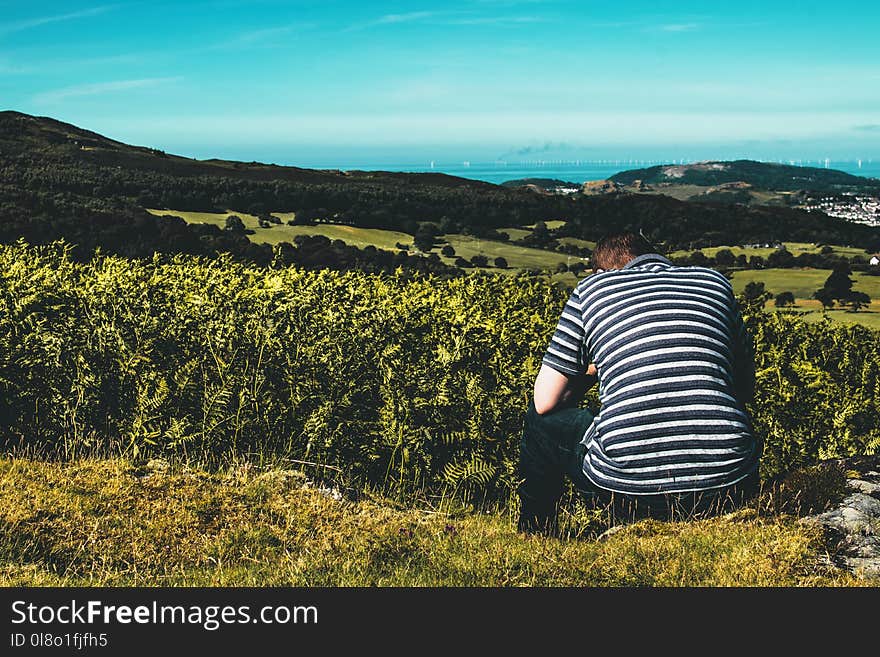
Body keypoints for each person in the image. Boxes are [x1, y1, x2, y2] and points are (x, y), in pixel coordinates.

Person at [517, 232, 760, 535]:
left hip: (629, 493)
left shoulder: (592, 289)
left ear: (601, 271)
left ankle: (535, 531)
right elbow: (745, 387)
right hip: (730, 485)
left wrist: (593, 371)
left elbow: (545, 401)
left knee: (538, 419)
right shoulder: (713, 282)